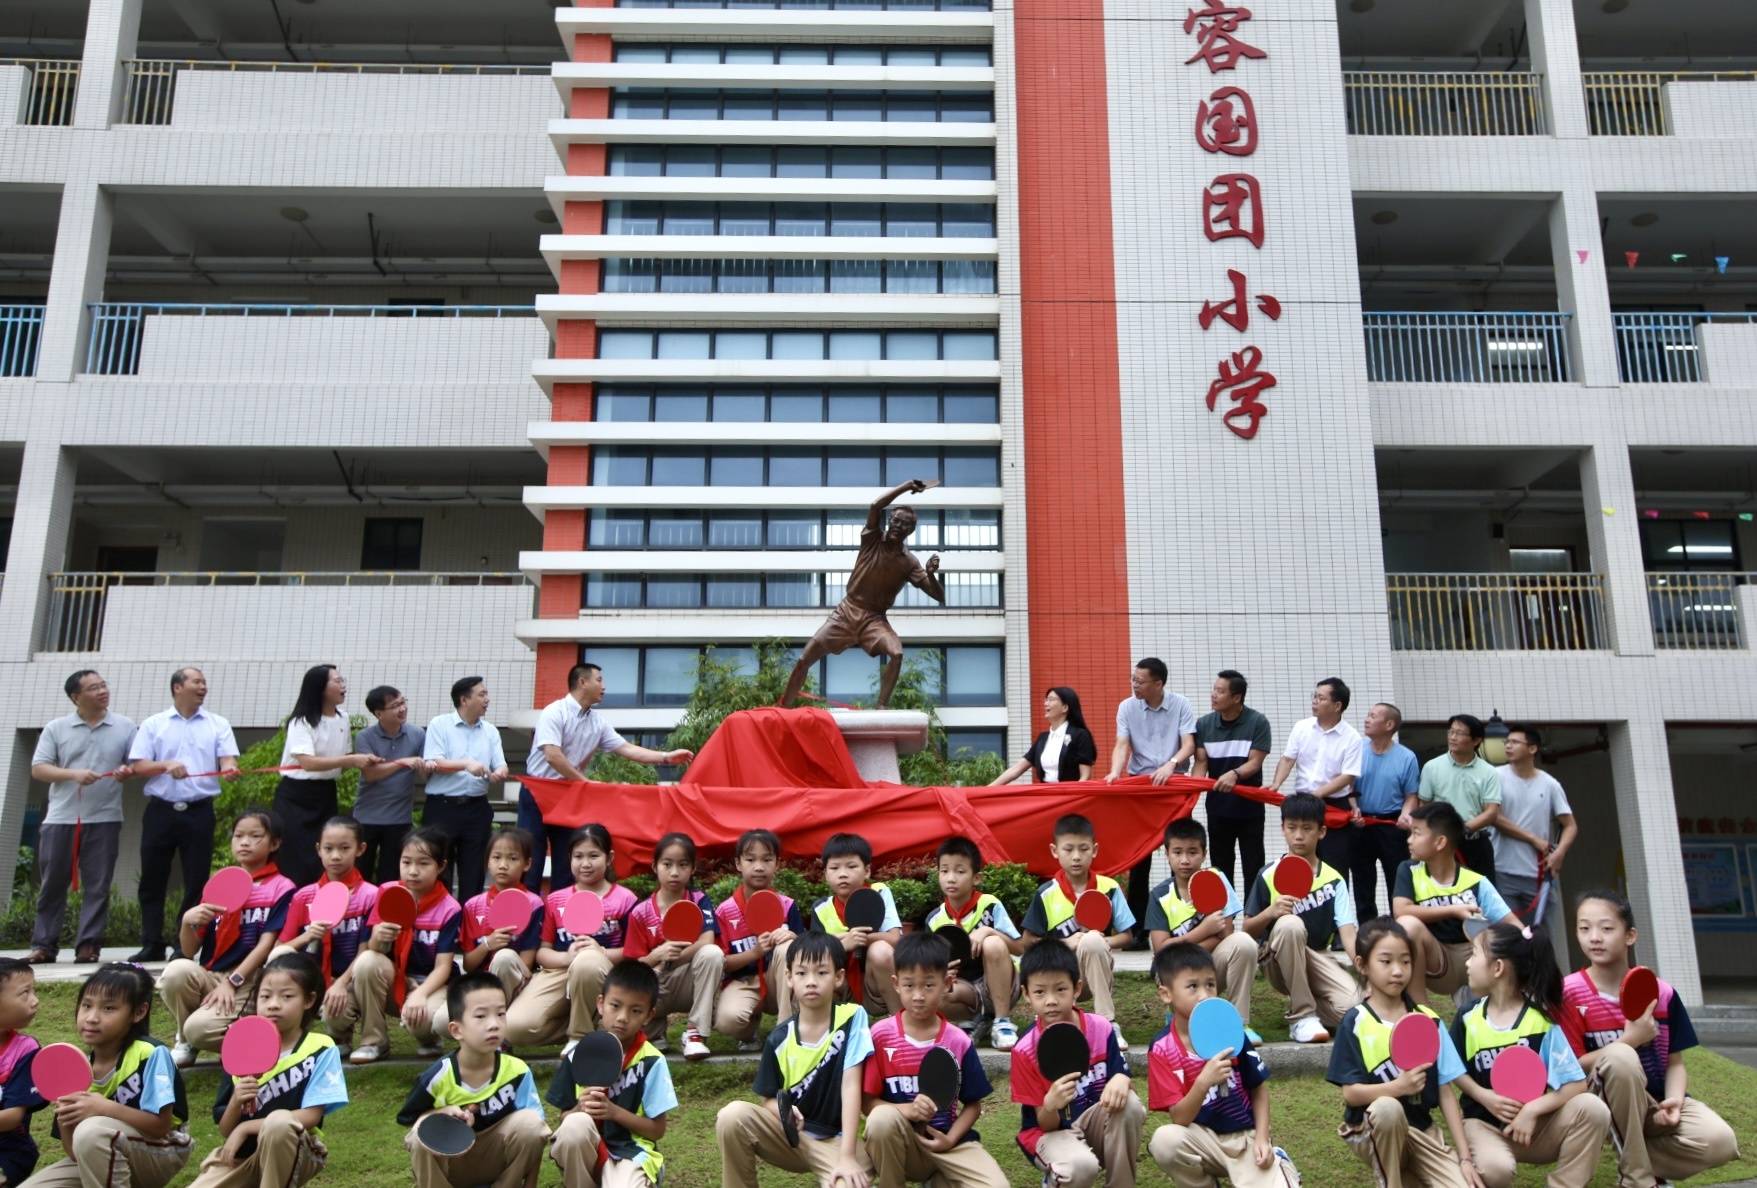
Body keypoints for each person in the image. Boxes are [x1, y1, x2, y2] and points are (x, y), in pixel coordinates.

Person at [1563, 890, 1739, 1188]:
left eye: (1606, 928)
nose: (1594, 937)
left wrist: (1675, 1101)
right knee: (1620, 1058)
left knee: (1721, 1141)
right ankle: (1638, 1180)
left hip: (1655, 1101)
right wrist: (1629, 1040)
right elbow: (1574, 1066)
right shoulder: (1568, 992)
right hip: (1599, 1105)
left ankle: (1640, 1161)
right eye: (1584, 928)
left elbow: (1675, 1063)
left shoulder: (1663, 993)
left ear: (1630, 935)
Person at [1449, 922, 1611, 1188]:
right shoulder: (1468, 1017)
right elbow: (1454, 1070)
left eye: (1474, 954)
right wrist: (1483, 1096)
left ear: (1498, 968)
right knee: (1496, 1170)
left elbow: (1576, 1084)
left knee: (1593, 1110)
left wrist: (1533, 1110)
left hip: (1533, 1131)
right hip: (1484, 1127)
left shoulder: (1541, 1023)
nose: (1467, 964)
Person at [714, 931, 875, 1187]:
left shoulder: (853, 1018)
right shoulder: (779, 1038)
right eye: (801, 973)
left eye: (822, 972)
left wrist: (847, 1156)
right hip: (791, 1137)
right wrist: (785, 1112)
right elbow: (768, 1099)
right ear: (788, 978)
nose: (811, 981)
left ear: (839, 977)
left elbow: (851, 1085)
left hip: (837, 1141)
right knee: (732, 1116)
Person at [521, 662, 694, 893]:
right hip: (538, 793)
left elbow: (627, 749)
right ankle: (526, 924)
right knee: (530, 862)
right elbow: (552, 755)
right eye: (599, 680)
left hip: (568, 797)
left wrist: (666, 757)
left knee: (568, 865)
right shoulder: (555, 712)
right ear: (583, 682)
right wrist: (584, 782)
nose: (604, 686)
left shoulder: (597, 722)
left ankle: (561, 925)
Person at [1327, 919, 1475, 1188]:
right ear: (1362, 965)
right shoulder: (1355, 1022)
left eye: (1406, 962)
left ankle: (1408, 1174)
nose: (1398, 971)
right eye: (1386, 961)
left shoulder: (1429, 1021)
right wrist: (1399, 1087)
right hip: (1370, 1128)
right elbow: (1351, 1093)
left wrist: (1465, 1158)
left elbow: (1445, 1092)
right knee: (1387, 1108)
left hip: (1422, 1131)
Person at [21, 963, 193, 1187]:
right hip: (102, 1150)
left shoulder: (150, 1054)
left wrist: (103, 1108)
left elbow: (161, 1126)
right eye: (86, 1005)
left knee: (92, 1132)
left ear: (139, 1012)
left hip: (162, 1149)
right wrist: (65, 1113)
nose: (92, 1017)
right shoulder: (75, 1067)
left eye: (109, 1008)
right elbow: (75, 1152)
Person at [781, 477, 945, 709]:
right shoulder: (872, 540)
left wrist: (930, 575)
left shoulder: (909, 562)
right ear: (890, 521)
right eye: (896, 521)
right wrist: (907, 486)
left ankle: (881, 707)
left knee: (896, 654)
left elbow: (939, 596)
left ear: (911, 530)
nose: (899, 526)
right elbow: (875, 507)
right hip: (846, 611)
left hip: (874, 620)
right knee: (803, 659)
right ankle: (783, 710)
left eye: (905, 525)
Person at [187, 952, 347, 1188]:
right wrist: (236, 1101)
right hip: (242, 1157)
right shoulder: (240, 1047)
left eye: (287, 996)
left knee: (279, 1122)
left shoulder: (320, 1048)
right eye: (265, 996)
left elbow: (312, 1116)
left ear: (309, 1000)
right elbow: (225, 1130)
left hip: (298, 1150)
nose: (273, 1004)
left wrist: (246, 1127)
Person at [861, 932, 1008, 1188]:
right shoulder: (880, 1035)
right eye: (909, 985)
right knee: (881, 1120)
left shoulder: (958, 1041)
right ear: (895, 984)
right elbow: (867, 1104)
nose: (918, 995)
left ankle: (940, 1179)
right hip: (901, 1144)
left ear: (948, 983)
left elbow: (973, 1105)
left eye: (928, 985)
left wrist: (950, 1140)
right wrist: (905, 1110)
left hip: (947, 1143)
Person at [1148, 943, 1297, 1188]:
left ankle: (1277, 1164)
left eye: (1210, 984)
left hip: (1244, 1139)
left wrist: (1262, 1139)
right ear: (1166, 994)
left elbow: (1259, 1089)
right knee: (1165, 1140)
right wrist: (1203, 1082)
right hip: (1201, 1139)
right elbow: (1179, 1119)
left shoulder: (1232, 1033)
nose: (1205, 994)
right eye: (1192, 986)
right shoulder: (1162, 1047)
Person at [159, 809, 297, 1067]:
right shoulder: (221, 883)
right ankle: (187, 1042)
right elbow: (190, 951)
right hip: (213, 974)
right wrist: (188, 922)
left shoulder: (281, 887)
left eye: (255, 836)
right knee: (176, 971)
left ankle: (258, 1043)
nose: (244, 842)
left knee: (199, 1029)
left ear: (274, 843)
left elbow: (267, 945)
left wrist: (232, 982)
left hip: (250, 978)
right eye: (238, 836)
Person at [126, 666, 241, 963]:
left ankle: (184, 943)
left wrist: (229, 769)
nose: (203, 686)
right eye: (197, 682)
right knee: (152, 878)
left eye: (204, 682)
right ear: (178, 687)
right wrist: (165, 765)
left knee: (197, 879)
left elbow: (228, 758)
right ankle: (151, 942)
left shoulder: (218, 723)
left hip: (200, 811)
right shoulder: (154, 724)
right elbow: (138, 766)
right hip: (161, 811)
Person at [1007, 942, 1144, 1188]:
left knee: (1130, 1105)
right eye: (1040, 992)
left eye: (1060, 989)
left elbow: (1122, 1075)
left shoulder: (1100, 1029)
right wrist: (1051, 1104)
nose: (1051, 1001)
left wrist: (1122, 1078)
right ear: (1026, 994)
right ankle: (1056, 1176)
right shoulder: (1025, 1050)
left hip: (1093, 1120)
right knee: (1081, 1167)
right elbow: (1044, 1123)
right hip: (1050, 1133)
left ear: (1077, 988)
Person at [397, 972, 549, 1188]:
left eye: (501, 1014)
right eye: (480, 1016)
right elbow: (409, 1120)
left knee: (531, 1125)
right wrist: (440, 1113)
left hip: (495, 1159)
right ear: (456, 1030)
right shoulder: (438, 1076)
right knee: (420, 1133)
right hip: (451, 1165)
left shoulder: (518, 1071)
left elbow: (537, 1135)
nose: (494, 1024)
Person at [28, 670, 135, 965]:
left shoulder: (125, 726)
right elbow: (39, 768)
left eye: (103, 685)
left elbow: (134, 764)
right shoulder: (56, 728)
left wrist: (127, 771)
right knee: (52, 884)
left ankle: (88, 946)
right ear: (76, 697)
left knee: (98, 885)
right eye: (93, 688)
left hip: (105, 817)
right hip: (60, 818)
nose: (102, 691)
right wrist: (73, 774)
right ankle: (43, 946)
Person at [329, 827, 460, 1065]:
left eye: (423, 863)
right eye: (406, 862)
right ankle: (373, 1042)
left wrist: (420, 994)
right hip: (394, 978)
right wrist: (379, 936)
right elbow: (372, 951)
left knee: (423, 1021)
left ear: (440, 866)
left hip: (428, 983)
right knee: (360, 974)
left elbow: (443, 967)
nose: (413, 871)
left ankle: (428, 1039)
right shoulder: (388, 892)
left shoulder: (450, 908)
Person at [1241, 792, 1360, 1044]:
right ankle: (1301, 1017)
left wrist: (1364, 966)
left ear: (1322, 832)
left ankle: (1309, 1009)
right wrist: (1271, 912)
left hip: (1318, 957)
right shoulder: (1268, 874)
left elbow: (1348, 933)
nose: (1298, 835)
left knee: (1353, 1010)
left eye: (1307, 828)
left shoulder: (1335, 879)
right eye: (1292, 827)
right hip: (1276, 958)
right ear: (1283, 829)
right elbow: (1247, 929)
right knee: (1289, 924)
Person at [504, 824, 637, 1049]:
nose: (585, 864)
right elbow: (543, 951)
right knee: (514, 1029)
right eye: (578, 856)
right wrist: (567, 958)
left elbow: (633, 952)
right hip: (559, 972)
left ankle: (579, 1037)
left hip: (603, 974)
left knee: (587, 962)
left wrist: (599, 952)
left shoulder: (626, 899)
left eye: (593, 856)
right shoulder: (555, 900)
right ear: (569, 858)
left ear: (609, 857)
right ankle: (590, 1026)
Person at [548, 959, 675, 1187]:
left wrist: (614, 1112)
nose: (623, 1017)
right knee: (574, 1126)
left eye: (636, 1010)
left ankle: (644, 1176)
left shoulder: (652, 1061)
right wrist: (581, 1108)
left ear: (648, 1015)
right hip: (588, 1150)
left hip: (631, 1152)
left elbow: (657, 1130)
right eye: (615, 1006)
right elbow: (565, 1120)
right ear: (600, 1004)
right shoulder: (577, 1055)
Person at [1020, 815, 1136, 1048]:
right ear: (1055, 851)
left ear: (1094, 850)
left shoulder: (1109, 888)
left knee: (1093, 941)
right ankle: (1052, 1021)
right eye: (1068, 849)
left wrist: (1101, 941)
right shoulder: (1046, 893)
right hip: (1059, 975)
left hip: (1094, 974)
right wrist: (1066, 943)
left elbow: (1128, 936)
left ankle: (1107, 1022)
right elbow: (1028, 942)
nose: (1076, 856)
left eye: (1083, 849)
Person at [1393, 802, 1518, 1004]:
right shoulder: (1408, 870)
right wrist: (1453, 910)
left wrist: (1528, 937)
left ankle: (1497, 1009)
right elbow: (1401, 910)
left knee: (1501, 938)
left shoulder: (1476, 882)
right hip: (1438, 962)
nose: (1409, 840)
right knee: (1408, 924)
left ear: (1440, 842)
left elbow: (1512, 923)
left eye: (1416, 833)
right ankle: (1420, 1012)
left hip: (1475, 957)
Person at [1106, 657, 1197, 927]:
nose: (1134, 685)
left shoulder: (1181, 704)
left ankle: (1184, 919)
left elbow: (1189, 744)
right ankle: (1137, 930)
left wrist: (1171, 765)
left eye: (1140, 681)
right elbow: (1122, 744)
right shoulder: (1126, 707)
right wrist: (1114, 771)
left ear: (1158, 683)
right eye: (1133, 679)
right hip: (1141, 786)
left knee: (1180, 853)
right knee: (1140, 857)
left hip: (1175, 785)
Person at [621, 832, 723, 1062]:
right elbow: (632, 966)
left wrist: (670, 958)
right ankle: (655, 1030)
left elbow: (707, 941)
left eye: (682, 864)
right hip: (655, 985)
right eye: (667, 864)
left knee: (712, 954)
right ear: (655, 866)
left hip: (686, 980)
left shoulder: (699, 901)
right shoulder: (640, 911)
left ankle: (696, 1034)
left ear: (693, 868)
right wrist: (656, 955)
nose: (675, 872)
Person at [1143, 819, 1257, 1020]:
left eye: (1192, 852)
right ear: (1167, 854)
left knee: (1243, 943)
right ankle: (1179, 1014)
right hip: (1175, 971)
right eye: (1177, 852)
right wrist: (1204, 930)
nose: (1185, 860)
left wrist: (1181, 945)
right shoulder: (1159, 895)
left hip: (1211, 966)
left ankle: (1240, 1024)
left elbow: (1226, 934)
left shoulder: (1217, 879)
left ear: (1204, 854)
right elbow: (1162, 950)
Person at [922, 835, 1023, 1051]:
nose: (951, 878)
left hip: (1001, 985)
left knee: (993, 944)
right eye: (944, 871)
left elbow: (1019, 947)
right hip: (965, 990)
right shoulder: (934, 919)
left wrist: (987, 931)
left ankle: (1002, 1021)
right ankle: (974, 1021)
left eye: (960, 871)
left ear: (976, 878)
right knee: (933, 989)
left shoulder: (989, 905)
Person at [275, 665, 373, 888]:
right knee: (295, 855)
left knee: (325, 852)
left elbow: (345, 757)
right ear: (320, 688)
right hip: (296, 795)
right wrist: (351, 760)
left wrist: (366, 759)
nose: (343, 686)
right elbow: (307, 763)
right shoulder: (301, 721)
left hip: (325, 792)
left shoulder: (343, 719)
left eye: (342, 680)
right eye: (337, 681)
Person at [421, 676, 510, 903]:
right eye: (482, 694)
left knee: (474, 871)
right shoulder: (439, 724)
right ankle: (440, 923)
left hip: (476, 807)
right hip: (443, 808)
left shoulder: (490, 731)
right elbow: (434, 762)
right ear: (464, 699)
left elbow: (500, 763)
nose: (487, 699)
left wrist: (500, 771)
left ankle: (470, 928)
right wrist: (466, 764)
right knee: (439, 868)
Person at [1491, 725, 1576, 963]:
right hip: (1503, 871)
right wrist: (1532, 838)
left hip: (1540, 876)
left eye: (1514, 742)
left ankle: (1548, 993)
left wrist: (1559, 853)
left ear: (1532, 748)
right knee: (1506, 936)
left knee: (1544, 937)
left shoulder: (1549, 784)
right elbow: (1494, 818)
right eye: (1506, 742)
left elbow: (1570, 825)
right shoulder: (1495, 776)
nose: (1508, 745)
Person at [274, 816, 380, 1005]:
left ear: (361, 849)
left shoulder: (371, 896)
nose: (335, 856)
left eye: (345, 848)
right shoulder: (303, 896)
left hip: (349, 980)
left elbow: (365, 952)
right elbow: (280, 948)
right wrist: (307, 937)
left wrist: (340, 984)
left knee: (369, 961)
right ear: (318, 850)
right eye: (328, 848)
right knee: (277, 956)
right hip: (310, 979)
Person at [713, 829, 804, 1048]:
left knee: (788, 948)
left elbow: (808, 952)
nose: (759, 867)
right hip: (743, 982)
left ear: (777, 864)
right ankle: (749, 1030)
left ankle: (784, 1033)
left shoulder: (787, 905)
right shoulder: (725, 911)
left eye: (767, 859)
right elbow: (722, 963)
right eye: (750, 859)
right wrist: (754, 953)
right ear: (738, 863)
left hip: (778, 982)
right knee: (728, 1022)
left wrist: (793, 936)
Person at [1268, 677, 1362, 878]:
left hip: (1334, 806)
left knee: (1334, 865)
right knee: (1298, 862)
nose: (1315, 701)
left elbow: (1348, 776)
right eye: (1315, 696)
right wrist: (1276, 784)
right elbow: (1287, 759)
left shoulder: (1352, 737)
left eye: (1321, 698)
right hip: (1302, 803)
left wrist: (1317, 794)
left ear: (1337, 705)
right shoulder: (1302, 727)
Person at [1191, 670, 1273, 890]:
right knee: (1220, 868)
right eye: (1214, 689)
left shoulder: (1258, 722)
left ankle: (1254, 921)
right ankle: (1224, 920)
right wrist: (1190, 788)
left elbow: (1255, 762)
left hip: (1250, 809)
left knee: (1253, 866)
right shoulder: (1204, 724)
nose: (1213, 695)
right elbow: (1201, 763)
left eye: (1220, 691)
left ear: (1236, 697)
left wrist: (1234, 774)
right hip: (1217, 808)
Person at [810, 833, 904, 1020]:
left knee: (881, 950)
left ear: (867, 870)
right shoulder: (821, 908)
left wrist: (863, 939)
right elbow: (813, 952)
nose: (843, 874)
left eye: (851, 866)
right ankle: (820, 1028)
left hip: (873, 985)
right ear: (826, 874)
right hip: (839, 987)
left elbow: (894, 938)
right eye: (835, 868)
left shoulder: (879, 892)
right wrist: (842, 945)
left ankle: (898, 1022)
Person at [455, 828, 543, 1012]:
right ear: (488, 861)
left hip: (520, 984)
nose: (503, 865)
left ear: (527, 864)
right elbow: (468, 965)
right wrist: (488, 944)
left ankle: (501, 1019)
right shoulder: (473, 905)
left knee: (504, 958)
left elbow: (527, 963)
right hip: (481, 984)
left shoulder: (534, 904)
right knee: (441, 1022)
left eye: (512, 858)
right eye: (496, 857)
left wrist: (503, 949)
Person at [353, 686, 429, 885]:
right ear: (379, 714)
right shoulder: (365, 737)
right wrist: (401, 762)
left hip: (399, 818)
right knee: (361, 873)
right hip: (367, 817)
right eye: (395, 706)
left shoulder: (417, 734)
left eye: (403, 702)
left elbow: (423, 769)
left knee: (392, 876)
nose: (402, 709)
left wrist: (427, 767)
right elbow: (370, 774)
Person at [1355, 701, 1420, 920]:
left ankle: (1401, 923)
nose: (1367, 719)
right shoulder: (1357, 749)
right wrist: (1354, 810)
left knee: (1396, 875)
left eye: (1373, 716)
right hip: (1361, 824)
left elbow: (1411, 795)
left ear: (1389, 724)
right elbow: (1346, 787)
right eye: (1368, 714)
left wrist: (1406, 813)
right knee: (1362, 879)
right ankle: (1367, 927)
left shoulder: (1407, 757)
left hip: (1392, 825)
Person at [1417, 715, 1501, 884]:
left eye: (1460, 733)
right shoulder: (1432, 767)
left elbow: (1491, 812)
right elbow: (1424, 807)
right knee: (1444, 893)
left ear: (1476, 740)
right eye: (1451, 732)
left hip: (1477, 843)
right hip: (1441, 844)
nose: (1453, 737)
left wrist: (1462, 828)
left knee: (1483, 895)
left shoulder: (1489, 772)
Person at [990, 686, 1097, 785]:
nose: (1046, 703)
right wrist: (989, 788)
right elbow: (1017, 769)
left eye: (1051, 700)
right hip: (1047, 796)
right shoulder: (1043, 738)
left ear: (1065, 707)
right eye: (1046, 700)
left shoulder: (1080, 735)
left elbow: (1085, 777)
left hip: (1070, 797)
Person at [0, 958, 45, 1185]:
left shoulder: (26, 1050)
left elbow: (12, 1117)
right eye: (25, 993)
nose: (35, 1001)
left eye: (33, 990)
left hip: (9, 1150)